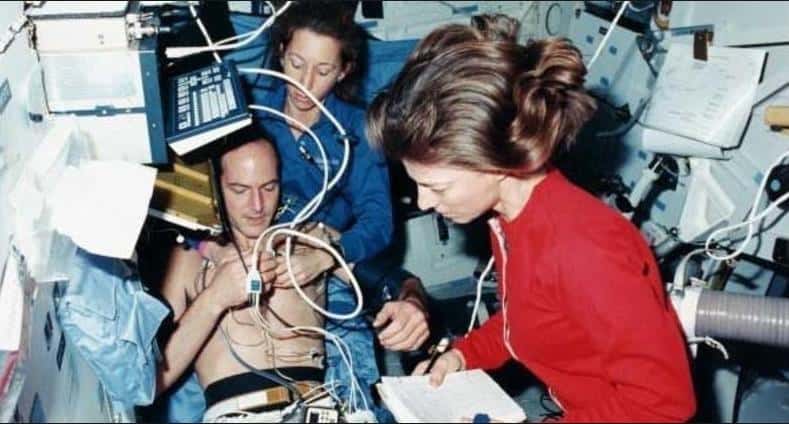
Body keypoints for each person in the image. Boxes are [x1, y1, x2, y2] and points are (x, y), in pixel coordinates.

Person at [367, 14, 697, 422]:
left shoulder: (585, 251)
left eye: (438, 187)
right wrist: (463, 354)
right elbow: (529, 318)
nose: (424, 201)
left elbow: (663, 403)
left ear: (494, 163)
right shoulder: (509, 218)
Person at [246, 1, 429, 417]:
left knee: (349, 383)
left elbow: (378, 222)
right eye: (296, 63)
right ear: (281, 52)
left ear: (344, 71)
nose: (304, 82)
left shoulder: (356, 130)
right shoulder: (251, 111)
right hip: (254, 252)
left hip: (328, 262)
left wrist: (329, 253)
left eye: (323, 70)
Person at [156, 130, 329, 422]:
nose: (257, 206)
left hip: (318, 409)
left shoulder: (309, 238)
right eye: (239, 190)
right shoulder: (188, 260)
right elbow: (153, 379)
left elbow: (390, 284)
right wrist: (215, 299)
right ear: (215, 188)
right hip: (237, 414)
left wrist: (324, 257)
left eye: (269, 187)